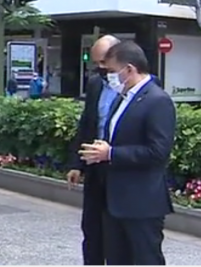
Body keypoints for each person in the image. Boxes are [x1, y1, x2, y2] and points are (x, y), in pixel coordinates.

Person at [79, 41, 176, 265]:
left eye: (112, 71)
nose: (109, 77)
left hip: (141, 201)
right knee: (116, 258)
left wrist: (111, 154)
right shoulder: (123, 99)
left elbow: (158, 152)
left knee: (144, 258)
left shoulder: (157, 100)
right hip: (114, 199)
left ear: (130, 69)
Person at [66, 34, 120, 265]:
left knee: (117, 235)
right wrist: (76, 163)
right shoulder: (95, 84)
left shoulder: (136, 87)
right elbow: (87, 123)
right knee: (91, 230)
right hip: (94, 167)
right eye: (96, 63)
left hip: (120, 170)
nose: (100, 68)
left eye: (103, 63)